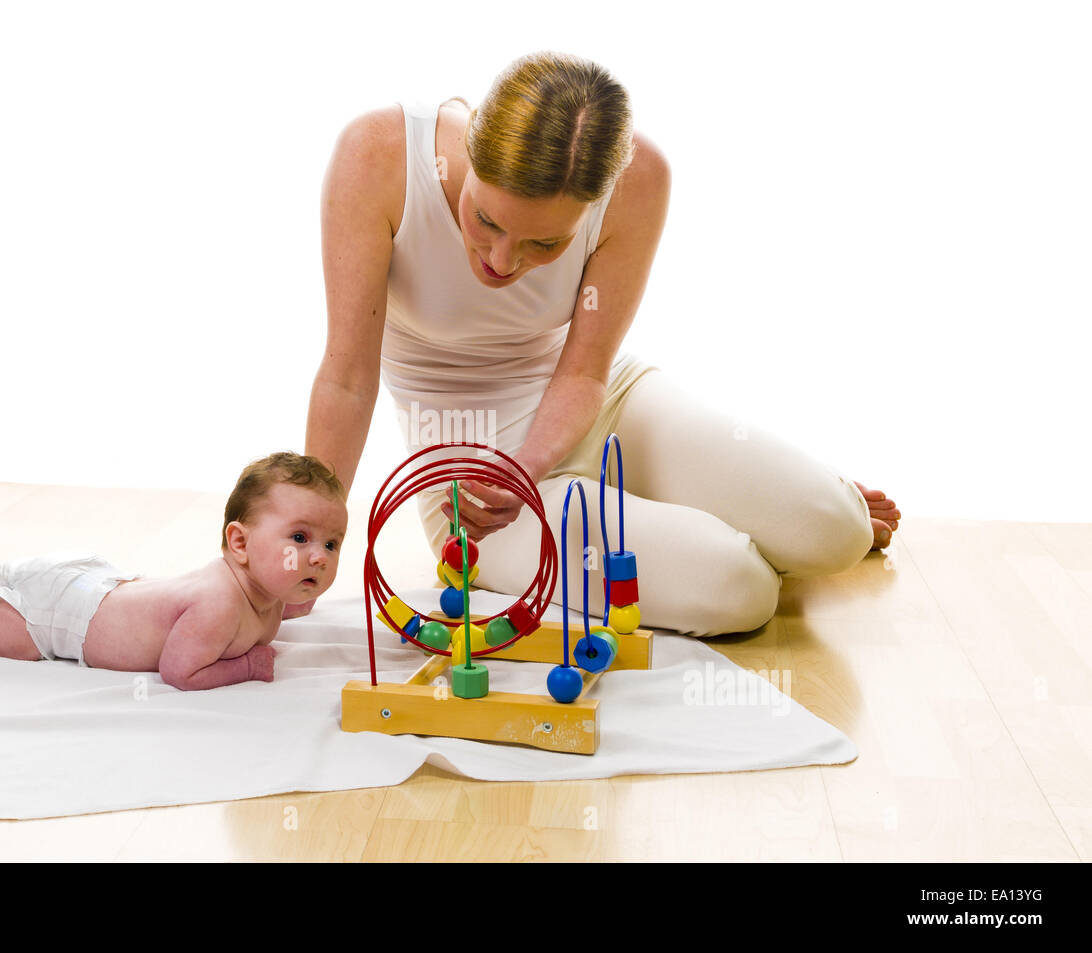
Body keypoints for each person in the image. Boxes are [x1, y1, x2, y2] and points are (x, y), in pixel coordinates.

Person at [297, 51, 900, 637]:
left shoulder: (639, 178)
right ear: (472, 149)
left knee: (835, 531)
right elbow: (347, 378)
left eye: (545, 244)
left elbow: (585, 373)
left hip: (603, 403)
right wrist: (304, 539)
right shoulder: (380, 157)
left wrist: (527, 467)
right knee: (739, 588)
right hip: (477, 482)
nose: (503, 261)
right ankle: (726, 531)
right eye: (486, 220)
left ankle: (802, 515)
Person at [0, 453, 347, 689]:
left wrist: (294, 601)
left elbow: (270, 612)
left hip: (91, 589)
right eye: (300, 539)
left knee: (13, 589)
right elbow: (180, 671)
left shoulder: (266, 596)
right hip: (60, 620)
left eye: (331, 543)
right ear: (239, 543)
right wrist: (246, 666)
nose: (320, 556)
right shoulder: (219, 604)